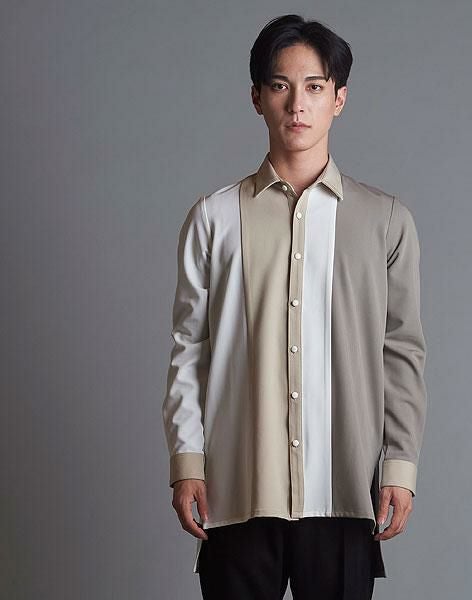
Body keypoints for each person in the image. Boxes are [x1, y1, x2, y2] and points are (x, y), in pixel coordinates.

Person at [162, 13, 428, 600]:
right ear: (257, 98)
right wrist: (188, 463)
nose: (297, 104)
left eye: (314, 86)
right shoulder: (213, 218)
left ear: (339, 99)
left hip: (344, 494)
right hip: (236, 492)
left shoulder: (386, 222)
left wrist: (399, 466)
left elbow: (402, 352)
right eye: (280, 85)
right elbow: (189, 350)